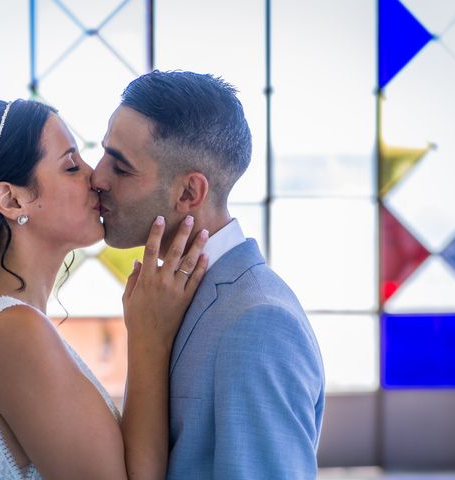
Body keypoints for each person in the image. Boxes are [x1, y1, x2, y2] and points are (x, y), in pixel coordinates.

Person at [0, 99, 209, 480]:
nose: (95, 177)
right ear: (12, 200)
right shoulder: (12, 333)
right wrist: (149, 339)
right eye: (71, 165)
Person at [92, 70, 326, 479]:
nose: (97, 177)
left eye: (121, 168)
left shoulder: (258, 321)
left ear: (188, 193)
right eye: (103, 153)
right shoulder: (166, 297)